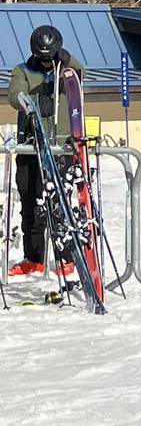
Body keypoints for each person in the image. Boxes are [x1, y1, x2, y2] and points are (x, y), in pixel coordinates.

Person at [5, 24, 82, 278]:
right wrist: (32, 103)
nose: (47, 63)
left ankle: (65, 257)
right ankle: (34, 257)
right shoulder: (22, 70)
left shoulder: (66, 69)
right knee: (30, 201)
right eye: (43, 58)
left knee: (57, 203)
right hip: (31, 145)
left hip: (59, 147)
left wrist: (65, 60)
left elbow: (79, 75)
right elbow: (15, 94)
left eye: (51, 58)